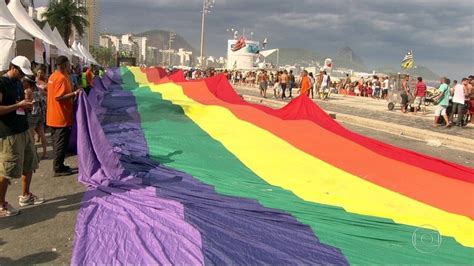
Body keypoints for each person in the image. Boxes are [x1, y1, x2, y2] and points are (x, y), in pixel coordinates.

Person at [0, 56, 45, 217]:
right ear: (12, 67)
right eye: (20, 72)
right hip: (9, 133)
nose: (21, 76)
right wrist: (18, 106)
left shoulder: (19, 84)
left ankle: (25, 195)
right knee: (8, 168)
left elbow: (19, 104)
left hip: (23, 128)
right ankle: (1, 204)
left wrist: (25, 105)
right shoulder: (2, 83)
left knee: (29, 162)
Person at [47, 56, 80, 176]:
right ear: (65, 65)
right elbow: (58, 97)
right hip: (61, 117)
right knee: (61, 144)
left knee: (57, 143)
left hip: (52, 116)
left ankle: (59, 164)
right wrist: (74, 93)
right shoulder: (61, 78)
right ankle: (58, 168)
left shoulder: (52, 76)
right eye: (68, 65)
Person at [23, 75, 47, 159]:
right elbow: (46, 94)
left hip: (32, 114)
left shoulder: (27, 91)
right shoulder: (39, 89)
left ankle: (33, 154)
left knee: (31, 134)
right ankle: (44, 153)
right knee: (41, 133)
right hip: (41, 113)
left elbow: (27, 102)